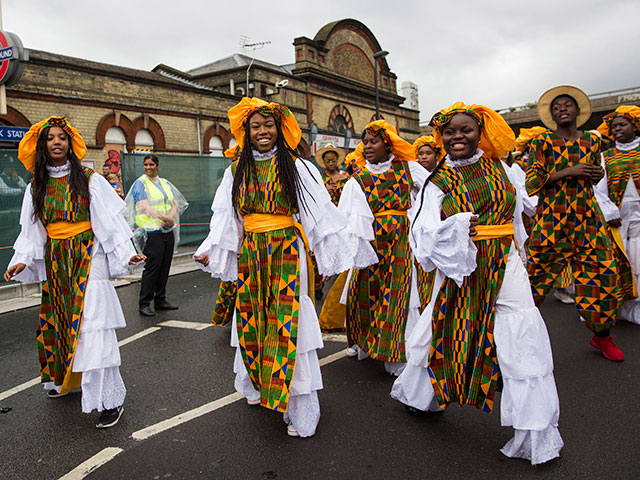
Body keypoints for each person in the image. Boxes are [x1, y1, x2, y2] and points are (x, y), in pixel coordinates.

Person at [391, 102, 563, 464]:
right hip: (461, 265)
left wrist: (521, 252)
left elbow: (520, 213)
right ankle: (420, 396)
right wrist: (454, 230)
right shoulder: (437, 181)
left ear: (479, 133)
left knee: (522, 336)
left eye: (465, 130)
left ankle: (535, 432)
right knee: (445, 328)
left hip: (506, 264)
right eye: (450, 132)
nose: (457, 137)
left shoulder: (501, 167)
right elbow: (421, 234)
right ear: (441, 137)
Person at [194, 97, 352, 438]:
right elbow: (227, 219)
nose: (263, 131)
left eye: (269, 125)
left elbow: (317, 216)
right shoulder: (235, 170)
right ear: (245, 132)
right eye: (256, 126)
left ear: (280, 129)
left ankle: (300, 409)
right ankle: (260, 386)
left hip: (286, 251)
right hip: (252, 252)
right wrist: (212, 250)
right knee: (253, 320)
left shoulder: (299, 167)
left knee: (287, 324)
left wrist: (327, 257)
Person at [4, 116, 144, 428]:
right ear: (42, 146)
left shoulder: (91, 180)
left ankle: (110, 400)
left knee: (94, 325)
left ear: (70, 144)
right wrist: (22, 260)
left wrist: (127, 253)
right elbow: (34, 232)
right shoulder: (35, 187)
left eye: (62, 138)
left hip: (87, 255)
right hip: (56, 262)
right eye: (50, 138)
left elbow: (110, 224)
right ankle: (68, 378)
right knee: (62, 323)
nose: (56, 142)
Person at [526, 85, 623, 361]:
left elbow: (594, 178)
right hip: (551, 221)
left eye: (567, 105)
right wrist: (569, 171)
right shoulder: (541, 142)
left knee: (602, 276)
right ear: (551, 115)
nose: (562, 109)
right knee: (533, 283)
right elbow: (532, 182)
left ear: (578, 111)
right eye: (556, 107)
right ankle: (517, 342)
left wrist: (596, 173)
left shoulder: (593, 142)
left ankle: (602, 336)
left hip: (588, 220)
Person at [338, 120, 428, 376]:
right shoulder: (359, 179)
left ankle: (399, 354)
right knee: (367, 292)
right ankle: (366, 341)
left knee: (399, 295)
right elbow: (347, 216)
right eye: (364, 142)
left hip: (401, 240)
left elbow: (434, 190)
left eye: (373, 141)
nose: (367, 146)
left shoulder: (408, 169)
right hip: (371, 241)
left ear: (387, 144)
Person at [125, 154, 188, 316]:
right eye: (145, 165)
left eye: (151, 164)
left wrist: (171, 217)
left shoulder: (165, 183)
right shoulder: (141, 184)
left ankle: (160, 299)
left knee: (165, 265)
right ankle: (144, 302)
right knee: (152, 267)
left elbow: (175, 202)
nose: (148, 167)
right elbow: (142, 205)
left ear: (157, 165)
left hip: (167, 229)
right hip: (152, 231)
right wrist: (164, 217)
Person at [594, 105, 640, 324]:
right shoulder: (606, 157)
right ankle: (621, 308)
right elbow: (597, 189)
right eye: (614, 127)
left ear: (635, 126)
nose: (617, 129)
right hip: (618, 219)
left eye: (623, 125)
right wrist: (609, 211)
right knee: (621, 262)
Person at [315, 144, 350, 331]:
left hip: (342, 218)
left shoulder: (346, 178)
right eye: (327, 160)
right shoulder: (318, 178)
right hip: (325, 219)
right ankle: (319, 282)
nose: (330, 163)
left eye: (333, 160)